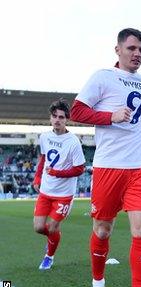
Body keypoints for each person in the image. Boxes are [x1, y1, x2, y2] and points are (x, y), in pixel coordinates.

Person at [70, 28, 141, 287]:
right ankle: (98, 284)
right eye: (132, 48)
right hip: (109, 166)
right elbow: (77, 111)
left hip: (139, 166)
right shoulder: (102, 77)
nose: (137, 54)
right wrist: (108, 117)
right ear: (118, 50)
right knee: (102, 229)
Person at [32, 98, 86, 270]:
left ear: (66, 119)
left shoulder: (73, 141)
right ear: (50, 118)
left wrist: (58, 173)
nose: (57, 120)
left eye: (61, 117)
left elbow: (80, 169)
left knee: (53, 226)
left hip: (63, 195)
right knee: (39, 227)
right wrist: (37, 177)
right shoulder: (45, 137)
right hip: (46, 191)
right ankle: (53, 239)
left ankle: (49, 256)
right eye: (54, 116)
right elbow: (43, 158)